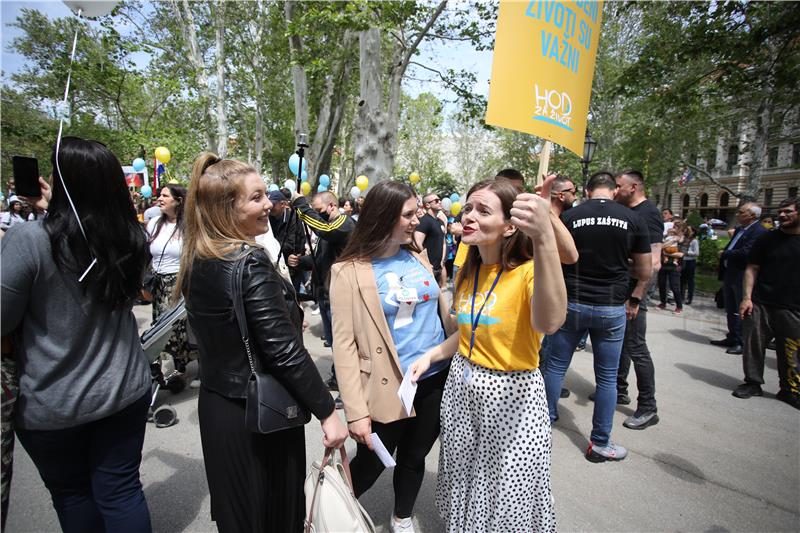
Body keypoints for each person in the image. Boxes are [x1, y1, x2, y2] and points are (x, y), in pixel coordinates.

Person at [178, 153, 347, 532]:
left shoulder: (199, 256)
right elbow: (284, 352)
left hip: (220, 405)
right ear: (227, 208)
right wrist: (327, 411)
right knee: (272, 515)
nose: (268, 203)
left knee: (241, 515)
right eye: (255, 198)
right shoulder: (247, 262)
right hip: (258, 412)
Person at [1, 137, 152, 532]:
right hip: (124, 392)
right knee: (121, 492)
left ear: (61, 181)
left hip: (55, 401)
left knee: (74, 496)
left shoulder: (29, 240)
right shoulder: (128, 239)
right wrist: (54, 209)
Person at [409, 177, 566, 532]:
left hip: (512, 399)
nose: (469, 216)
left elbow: (550, 321)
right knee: (463, 477)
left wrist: (544, 237)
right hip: (462, 393)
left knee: (504, 491)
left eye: (483, 210)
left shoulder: (529, 272)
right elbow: (466, 329)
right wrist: (433, 354)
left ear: (510, 225)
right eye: (468, 208)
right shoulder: (470, 268)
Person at [330, 180, 456, 533]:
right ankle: (327, 514)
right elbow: (344, 347)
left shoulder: (417, 254)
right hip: (389, 386)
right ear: (383, 217)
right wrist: (355, 413)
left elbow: (440, 310)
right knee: (370, 464)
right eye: (409, 214)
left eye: (417, 211)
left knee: (415, 458)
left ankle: (402, 517)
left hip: (435, 379)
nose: (418, 220)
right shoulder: (348, 271)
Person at [543, 172, 652, 462]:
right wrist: (627, 284)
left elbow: (553, 256)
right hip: (610, 306)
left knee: (555, 366)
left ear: (588, 190)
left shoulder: (570, 216)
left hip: (572, 302)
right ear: (614, 191)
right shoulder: (632, 219)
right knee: (607, 378)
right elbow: (645, 270)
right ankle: (600, 442)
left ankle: (543, 422)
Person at [732, 197, 800, 409]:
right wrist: (746, 298)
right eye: (780, 211)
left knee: (791, 350)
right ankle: (753, 382)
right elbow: (752, 269)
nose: (782, 215)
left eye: (788, 211)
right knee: (754, 345)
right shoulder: (768, 239)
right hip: (761, 302)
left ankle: (789, 390)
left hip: (793, 306)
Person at [614, 169, 663, 429]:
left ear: (633, 187)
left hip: (635, 293)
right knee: (622, 343)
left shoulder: (649, 214)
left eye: (618, 186)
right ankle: (619, 389)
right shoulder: (630, 213)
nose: (614, 190)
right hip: (624, 288)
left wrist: (635, 297)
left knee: (636, 346)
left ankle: (648, 407)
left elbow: (653, 263)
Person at [146, 184, 196, 389]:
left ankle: (182, 367)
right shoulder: (153, 224)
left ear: (178, 200)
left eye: (165, 195)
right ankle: (176, 367)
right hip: (158, 283)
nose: (160, 198)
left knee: (180, 329)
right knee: (160, 327)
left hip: (180, 283)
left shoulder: (189, 226)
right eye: (159, 195)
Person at [710, 202, 768, 355]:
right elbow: (732, 246)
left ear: (752, 215)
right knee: (730, 308)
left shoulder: (759, 232)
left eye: (741, 212)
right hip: (730, 273)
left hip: (742, 275)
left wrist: (725, 254)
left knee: (740, 309)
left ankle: (741, 342)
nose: (737, 214)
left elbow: (747, 252)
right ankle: (732, 336)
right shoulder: (740, 230)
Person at [414, 193, 447, 286]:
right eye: (436, 201)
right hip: (427, 268)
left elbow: (443, 242)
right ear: (428, 205)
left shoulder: (440, 221)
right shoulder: (424, 221)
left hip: (438, 267)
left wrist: (442, 260)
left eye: (440, 200)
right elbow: (417, 242)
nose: (440, 202)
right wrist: (426, 262)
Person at [657, 222, 685, 314]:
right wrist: (672, 241)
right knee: (661, 284)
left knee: (674, 286)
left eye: (676, 227)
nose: (674, 229)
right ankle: (663, 302)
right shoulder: (668, 237)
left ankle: (679, 306)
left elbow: (681, 254)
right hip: (664, 264)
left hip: (675, 265)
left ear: (681, 229)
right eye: (674, 227)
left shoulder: (683, 240)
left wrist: (667, 253)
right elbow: (661, 246)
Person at [681, 226, 699, 305]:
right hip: (683, 260)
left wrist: (687, 252)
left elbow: (696, 253)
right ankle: (681, 296)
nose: (686, 231)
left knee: (690, 280)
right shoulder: (684, 240)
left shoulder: (694, 241)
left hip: (690, 261)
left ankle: (689, 297)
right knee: (682, 279)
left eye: (688, 230)